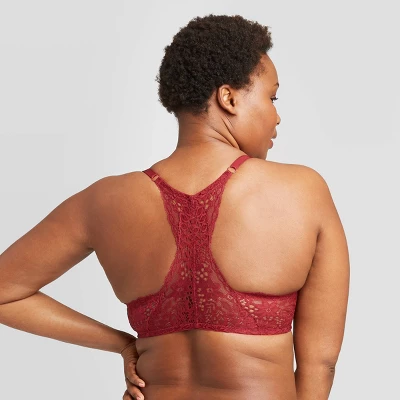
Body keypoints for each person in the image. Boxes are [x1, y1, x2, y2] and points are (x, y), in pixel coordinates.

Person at [0, 14, 350, 400]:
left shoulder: (102, 202)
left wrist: (123, 343)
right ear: (229, 98)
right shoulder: (303, 191)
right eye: (272, 97)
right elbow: (321, 364)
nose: (277, 116)